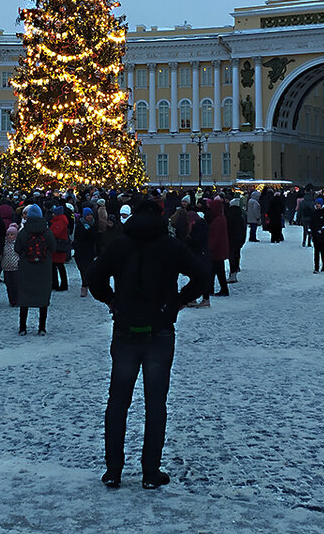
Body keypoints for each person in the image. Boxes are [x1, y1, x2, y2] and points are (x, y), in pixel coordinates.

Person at [87, 198, 210, 490]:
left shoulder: (120, 243)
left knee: (118, 401)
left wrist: (112, 300)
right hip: (159, 330)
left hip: (126, 328)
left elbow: (94, 278)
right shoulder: (169, 245)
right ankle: (150, 472)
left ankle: (113, 469)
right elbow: (202, 275)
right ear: (159, 216)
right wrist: (178, 301)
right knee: (155, 403)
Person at [15, 204, 56, 335]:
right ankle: (42, 327)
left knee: (24, 297)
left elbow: (17, 249)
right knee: (42, 298)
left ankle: (22, 327)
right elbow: (53, 248)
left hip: (26, 267)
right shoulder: (47, 232)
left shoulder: (23, 232)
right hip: (44, 268)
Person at [307, 198, 324, 273]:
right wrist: (310, 229)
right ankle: (316, 267)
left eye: (318, 204)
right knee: (316, 251)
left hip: (322, 235)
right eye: (316, 204)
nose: (317, 205)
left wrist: (323, 229)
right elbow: (311, 222)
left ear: (321, 204)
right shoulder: (314, 212)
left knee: (322, 251)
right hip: (315, 234)